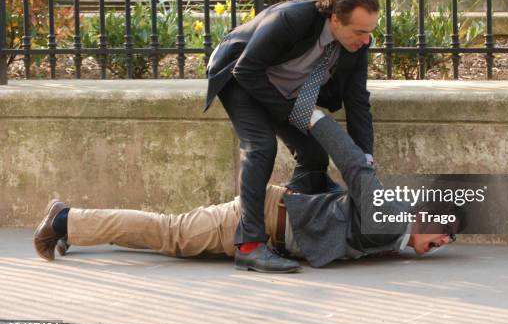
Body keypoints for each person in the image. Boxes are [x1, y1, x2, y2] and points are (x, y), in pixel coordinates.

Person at [34, 112, 464, 271]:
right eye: (446, 228)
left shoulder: (393, 232)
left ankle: (75, 226)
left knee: (168, 236)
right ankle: (64, 218)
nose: (445, 240)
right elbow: (354, 164)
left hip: (274, 221)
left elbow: (339, 215)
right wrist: (315, 119)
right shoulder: (389, 219)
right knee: (170, 234)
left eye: (451, 239)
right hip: (255, 219)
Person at [204, 0, 380, 272]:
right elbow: (246, 70)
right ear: (335, 19)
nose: (366, 39)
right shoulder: (291, 19)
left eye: (371, 30)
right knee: (261, 146)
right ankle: (250, 246)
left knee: (314, 153)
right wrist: (292, 114)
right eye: (360, 31)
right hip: (241, 77)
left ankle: (290, 216)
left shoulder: (356, 44)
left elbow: (358, 100)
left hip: (285, 88)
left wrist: (366, 159)